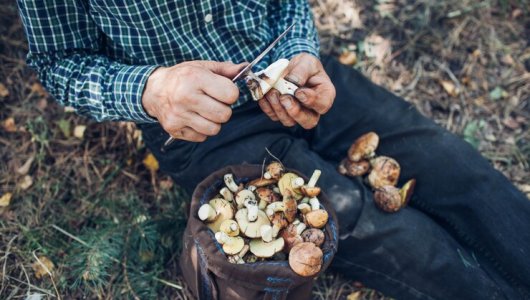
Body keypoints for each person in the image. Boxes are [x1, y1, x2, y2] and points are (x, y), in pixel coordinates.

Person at [17, 1, 530, 299]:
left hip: (289, 73)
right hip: (202, 126)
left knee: (456, 169)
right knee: (409, 243)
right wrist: (152, 90)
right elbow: (58, 59)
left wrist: (300, 50)